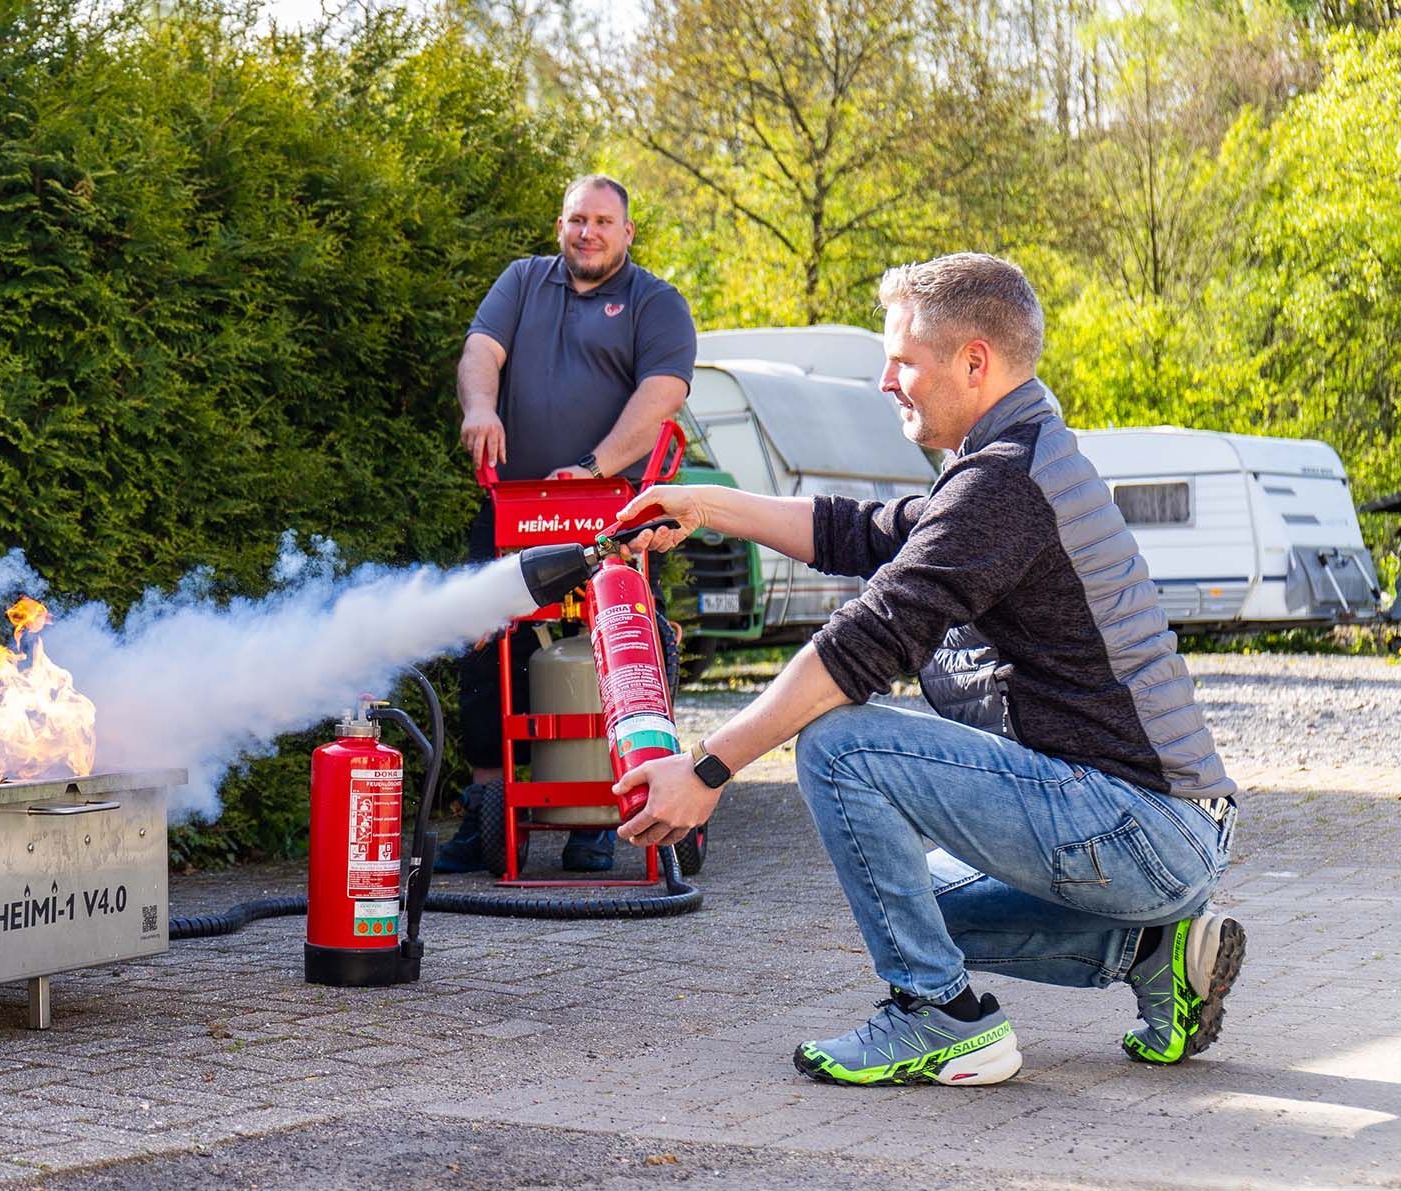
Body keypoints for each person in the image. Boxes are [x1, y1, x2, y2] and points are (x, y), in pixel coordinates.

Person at [608, 252, 1243, 1085]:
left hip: (1138, 828)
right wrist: (705, 503)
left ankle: (941, 1014)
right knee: (904, 896)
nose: (884, 381)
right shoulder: (1016, 458)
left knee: (837, 742)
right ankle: (1152, 950)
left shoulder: (1005, 484)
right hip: (1156, 830)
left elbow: (861, 643)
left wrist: (708, 765)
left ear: (973, 362)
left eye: (903, 361)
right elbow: (864, 531)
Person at [434, 174, 696, 874]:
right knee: (485, 647)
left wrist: (595, 465)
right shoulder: (523, 281)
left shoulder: (655, 302)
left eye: (603, 221)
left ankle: (614, 811)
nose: (589, 232)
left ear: (627, 232)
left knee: (622, 648)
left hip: (614, 512)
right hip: (515, 506)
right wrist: (479, 409)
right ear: (560, 225)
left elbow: (663, 393)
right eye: (578, 220)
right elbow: (480, 352)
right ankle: (487, 809)